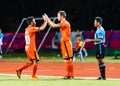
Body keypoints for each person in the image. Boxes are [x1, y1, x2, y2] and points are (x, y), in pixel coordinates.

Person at [44, 10, 74, 79]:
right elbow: (53, 25)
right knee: (66, 59)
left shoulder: (65, 23)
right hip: (64, 43)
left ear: (62, 16)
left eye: (58, 15)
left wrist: (47, 19)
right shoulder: (62, 22)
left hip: (66, 43)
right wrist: (47, 20)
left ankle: (71, 75)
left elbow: (53, 25)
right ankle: (68, 75)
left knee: (68, 59)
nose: (57, 17)